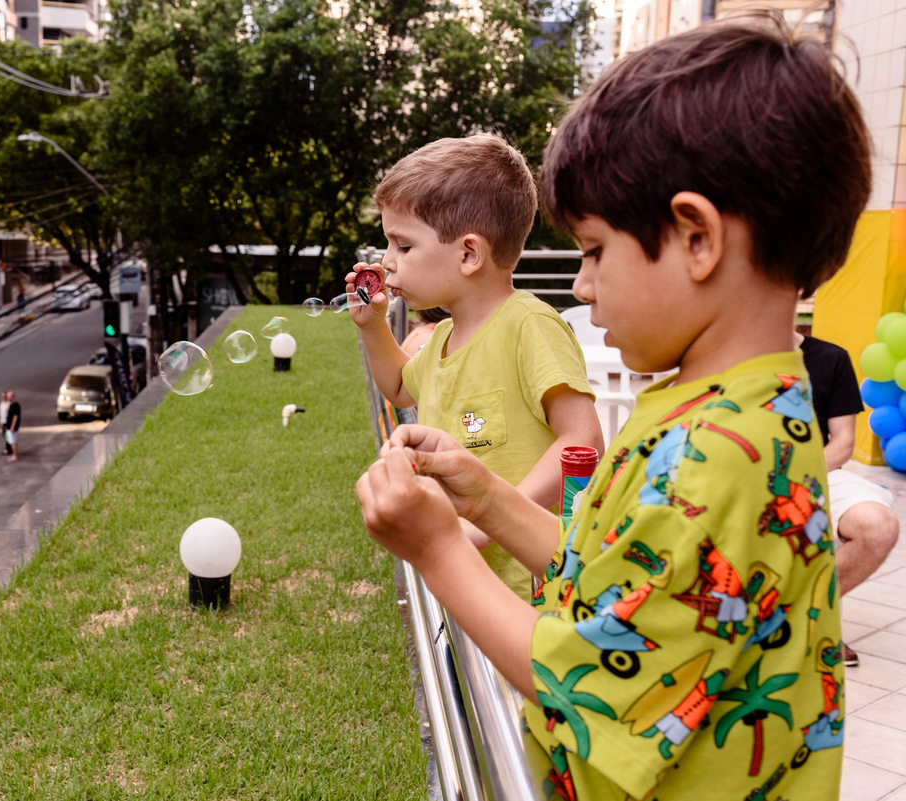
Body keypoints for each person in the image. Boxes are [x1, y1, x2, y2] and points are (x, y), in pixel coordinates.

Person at [356, 17, 870, 801]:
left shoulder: (719, 454)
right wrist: (484, 494)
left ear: (696, 237)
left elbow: (578, 682)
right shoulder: (719, 409)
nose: (583, 284)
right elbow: (606, 585)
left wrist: (435, 547)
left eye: (594, 249)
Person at [347, 132, 603, 600]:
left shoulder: (528, 326)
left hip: (529, 585)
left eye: (403, 246)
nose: (387, 263)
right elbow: (400, 389)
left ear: (468, 254)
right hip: (467, 572)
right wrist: (372, 327)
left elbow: (582, 440)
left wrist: (489, 520)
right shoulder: (444, 336)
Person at [798, 331, 900, 666]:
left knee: (878, 526)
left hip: (817, 470)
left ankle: (806, 614)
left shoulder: (830, 358)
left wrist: (797, 479)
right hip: (743, 473)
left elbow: (842, 444)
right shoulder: (731, 350)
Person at [4, 391, 21, 462]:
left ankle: (14, 456)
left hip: (12, 428)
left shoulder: (15, 405)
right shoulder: (12, 404)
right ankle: (15, 454)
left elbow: (15, 417)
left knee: (12, 442)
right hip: (10, 427)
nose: (7, 398)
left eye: (9, 396)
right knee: (13, 441)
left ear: (12, 396)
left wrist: (12, 427)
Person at [0, 391, 10, 456]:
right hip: (3, 422)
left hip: (7, 422)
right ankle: (8, 447)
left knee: (7, 436)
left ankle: (8, 449)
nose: (2, 397)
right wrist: (0, 420)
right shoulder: (2, 403)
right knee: (4, 435)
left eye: (4, 396)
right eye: (2, 396)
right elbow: (1, 413)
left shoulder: (8, 404)